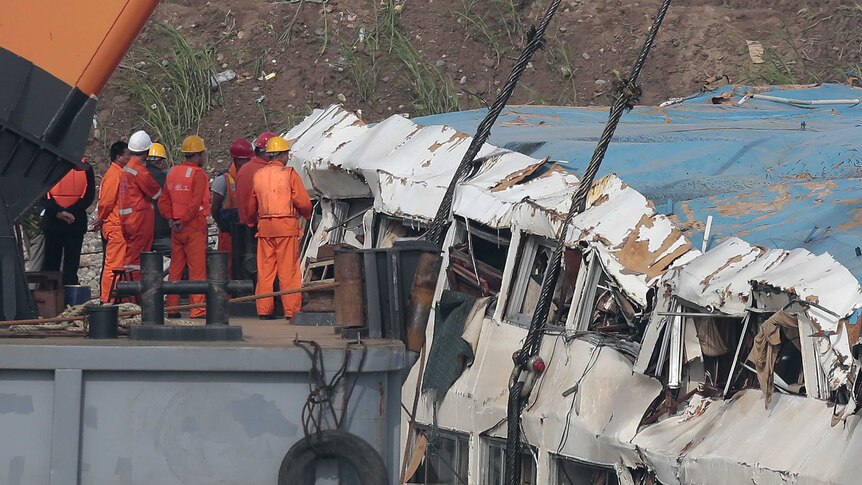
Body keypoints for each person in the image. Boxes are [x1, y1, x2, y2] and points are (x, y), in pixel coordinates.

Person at [248, 136, 312, 320]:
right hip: (286, 228)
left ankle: (264, 310)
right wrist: (306, 215)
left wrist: (252, 221)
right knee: (288, 271)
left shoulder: (258, 175)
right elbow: (303, 202)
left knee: (266, 271)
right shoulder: (289, 174)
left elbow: (251, 204)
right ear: (283, 155)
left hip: (265, 229)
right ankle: (291, 312)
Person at [158, 135, 210, 319]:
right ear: (199, 154)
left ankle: (172, 309)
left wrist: (172, 219)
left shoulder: (173, 172)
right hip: (193, 227)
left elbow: (163, 200)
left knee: (175, 269)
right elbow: (195, 203)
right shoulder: (198, 174)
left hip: (176, 229)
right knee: (197, 270)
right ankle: (197, 309)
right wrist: (183, 220)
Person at [42, 158, 96, 286]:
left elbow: (89, 194)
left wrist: (62, 212)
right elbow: (42, 192)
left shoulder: (86, 167)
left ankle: (69, 297)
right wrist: (59, 211)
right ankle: (51, 297)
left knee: (70, 266)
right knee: (52, 265)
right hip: (56, 222)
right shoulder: (49, 163)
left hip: (71, 222)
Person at [118, 130, 161, 272]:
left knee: (131, 257)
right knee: (138, 260)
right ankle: (134, 293)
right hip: (140, 220)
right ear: (146, 150)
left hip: (127, 220)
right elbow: (156, 191)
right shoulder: (139, 170)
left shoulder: (126, 169)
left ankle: (128, 290)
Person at [211, 138, 254, 277]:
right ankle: (227, 297)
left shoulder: (250, 176)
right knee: (227, 267)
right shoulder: (223, 180)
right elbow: (215, 208)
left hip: (245, 231)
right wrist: (222, 224)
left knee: (245, 265)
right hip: (228, 233)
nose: (249, 162)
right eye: (246, 159)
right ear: (236, 159)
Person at [95, 141, 131, 302]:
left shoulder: (119, 174)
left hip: (117, 225)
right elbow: (106, 202)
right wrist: (101, 218)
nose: (130, 157)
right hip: (115, 225)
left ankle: (115, 298)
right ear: (119, 157)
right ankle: (107, 300)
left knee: (118, 264)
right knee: (113, 265)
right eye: (127, 154)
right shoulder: (114, 175)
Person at [145, 142, 172, 255]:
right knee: (182, 256)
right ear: (161, 161)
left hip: (142, 232)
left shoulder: (138, 174)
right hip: (161, 233)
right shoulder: (163, 178)